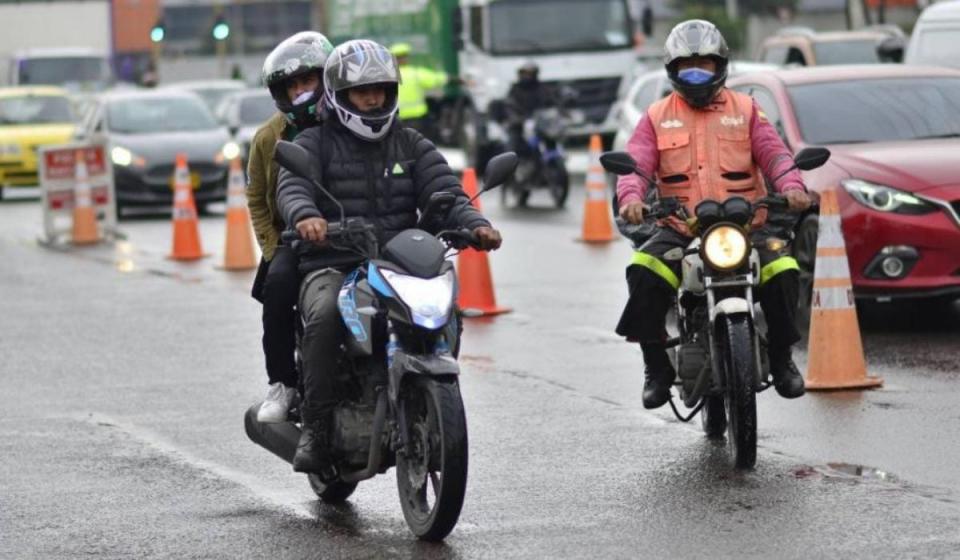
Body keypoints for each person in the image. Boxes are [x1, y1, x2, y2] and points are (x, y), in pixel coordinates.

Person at [276, 39, 503, 475]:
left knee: (446, 308)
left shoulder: (412, 144)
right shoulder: (314, 143)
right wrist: (306, 216)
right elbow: (293, 187)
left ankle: (422, 395)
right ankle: (318, 430)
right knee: (324, 316)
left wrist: (475, 224)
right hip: (333, 261)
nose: (374, 98)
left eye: (380, 89)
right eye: (363, 91)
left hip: (400, 263)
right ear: (340, 96)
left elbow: (446, 192)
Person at [615, 20, 813, 409]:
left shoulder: (746, 109)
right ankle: (655, 366)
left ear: (719, 65)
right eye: (686, 66)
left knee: (783, 269)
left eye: (703, 65)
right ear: (672, 70)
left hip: (745, 227)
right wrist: (632, 199)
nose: (695, 73)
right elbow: (636, 167)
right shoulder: (655, 116)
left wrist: (792, 188)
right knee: (643, 271)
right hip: (680, 228)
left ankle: (782, 358)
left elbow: (775, 155)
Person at [247, 31, 334, 423]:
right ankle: (282, 383)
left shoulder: (350, 122)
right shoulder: (268, 138)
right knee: (277, 289)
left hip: (351, 234)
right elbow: (257, 198)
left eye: (308, 81)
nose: (301, 91)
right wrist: (273, 248)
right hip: (291, 238)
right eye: (292, 85)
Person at [391, 42, 450, 139]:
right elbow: (437, 79)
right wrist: (457, 79)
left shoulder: (389, 76)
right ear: (406, 58)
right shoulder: (416, 73)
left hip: (398, 119)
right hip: (418, 119)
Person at [502, 61, 556, 166]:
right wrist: (516, 118)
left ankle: (552, 159)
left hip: (540, 123)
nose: (528, 76)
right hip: (520, 124)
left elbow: (551, 102)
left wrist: (558, 111)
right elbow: (509, 105)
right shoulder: (515, 89)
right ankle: (510, 167)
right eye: (525, 73)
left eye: (531, 73)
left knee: (551, 137)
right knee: (512, 144)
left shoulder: (542, 88)